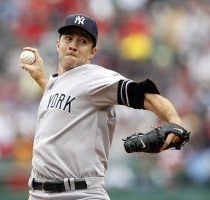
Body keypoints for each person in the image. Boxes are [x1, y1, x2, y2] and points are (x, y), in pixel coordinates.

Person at [20, 14, 184, 200]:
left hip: (80, 194)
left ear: (92, 52)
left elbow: (144, 94)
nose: (73, 45)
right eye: (68, 38)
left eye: (82, 41)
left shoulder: (96, 78)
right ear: (58, 44)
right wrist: (42, 80)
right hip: (37, 194)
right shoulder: (54, 84)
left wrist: (174, 119)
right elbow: (69, 105)